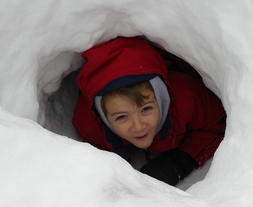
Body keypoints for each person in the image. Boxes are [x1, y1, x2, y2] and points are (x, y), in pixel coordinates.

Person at [72, 36, 226, 186]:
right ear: (104, 117)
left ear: (161, 99)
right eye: (121, 117)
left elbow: (216, 124)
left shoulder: (186, 98)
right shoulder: (90, 125)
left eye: (146, 109)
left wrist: (179, 161)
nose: (138, 126)